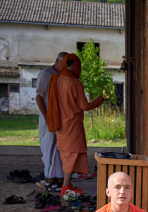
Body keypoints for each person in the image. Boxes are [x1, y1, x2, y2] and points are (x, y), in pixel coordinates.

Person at [46, 53, 105, 196]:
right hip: (73, 124)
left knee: (66, 154)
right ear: (76, 65)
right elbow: (85, 106)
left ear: (65, 64)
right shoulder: (76, 83)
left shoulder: (55, 79)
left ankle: (68, 184)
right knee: (71, 155)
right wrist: (99, 100)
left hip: (60, 124)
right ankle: (65, 187)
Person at [35, 51, 68, 191]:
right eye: (63, 63)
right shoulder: (46, 74)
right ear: (57, 61)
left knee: (59, 152)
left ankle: (58, 181)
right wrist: (47, 117)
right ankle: (49, 181)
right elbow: (39, 96)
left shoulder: (64, 75)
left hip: (60, 119)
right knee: (50, 151)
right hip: (49, 119)